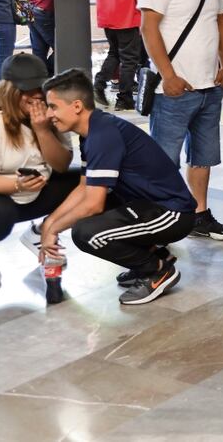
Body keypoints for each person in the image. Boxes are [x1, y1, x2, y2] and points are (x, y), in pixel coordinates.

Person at [38, 69, 198, 304]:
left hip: (172, 214)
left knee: (86, 233)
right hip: (147, 207)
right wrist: (48, 225)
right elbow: (84, 187)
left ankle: (156, 270)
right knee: (91, 212)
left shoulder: (103, 135)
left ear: (76, 106)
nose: (48, 114)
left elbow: (92, 205)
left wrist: (54, 230)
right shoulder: (92, 131)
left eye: (53, 106)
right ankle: (152, 256)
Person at [138, 0, 223, 241]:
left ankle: (199, 215)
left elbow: (221, 20)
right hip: (174, 90)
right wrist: (168, 75)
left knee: (203, 157)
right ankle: (158, 224)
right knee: (164, 161)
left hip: (210, 86)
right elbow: (148, 27)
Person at [0, 54, 77, 287]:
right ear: (10, 90)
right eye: (27, 90)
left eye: (40, 87)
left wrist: (43, 131)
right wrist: (17, 185)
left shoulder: (49, 112)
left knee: (91, 184)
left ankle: (42, 232)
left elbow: (61, 165)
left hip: (33, 192)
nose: (36, 95)